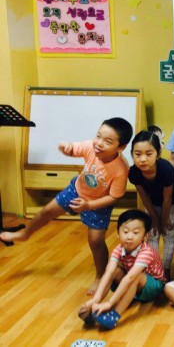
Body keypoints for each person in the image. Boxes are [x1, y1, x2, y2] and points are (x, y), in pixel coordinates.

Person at [0, 117, 133, 294]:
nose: (99, 143)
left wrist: (89, 205)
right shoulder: (91, 147)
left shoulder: (120, 169)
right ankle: (24, 234)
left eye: (108, 141)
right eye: (98, 136)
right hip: (76, 191)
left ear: (121, 147)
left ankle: (100, 276)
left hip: (98, 204)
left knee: (96, 241)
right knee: (46, 212)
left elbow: (113, 197)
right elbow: (74, 149)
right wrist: (67, 148)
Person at [78, 209, 166, 330]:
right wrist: (95, 299)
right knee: (115, 271)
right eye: (125, 231)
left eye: (135, 233)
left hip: (153, 287)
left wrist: (110, 303)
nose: (129, 237)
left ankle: (114, 315)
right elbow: (108, 273)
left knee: (135, 276)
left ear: (145, 236)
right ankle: (95, 306)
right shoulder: (119, 249)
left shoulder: (146, 251)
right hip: (132, 284)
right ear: (118, 233)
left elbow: (130, 277)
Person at [129, 130, 174, 280]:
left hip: (170, 204)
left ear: (158, 154)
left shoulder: (166, 170)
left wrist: (163, 219)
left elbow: (168, 198)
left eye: (149, 154)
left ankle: (166, 269)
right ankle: (155, 269)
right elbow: (143, 195)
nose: (143, 159)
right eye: (138, 154)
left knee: (169, 232)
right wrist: (154, 218)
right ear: (132, 154)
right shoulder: (134, 172)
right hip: (151, 203)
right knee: (153, 233)